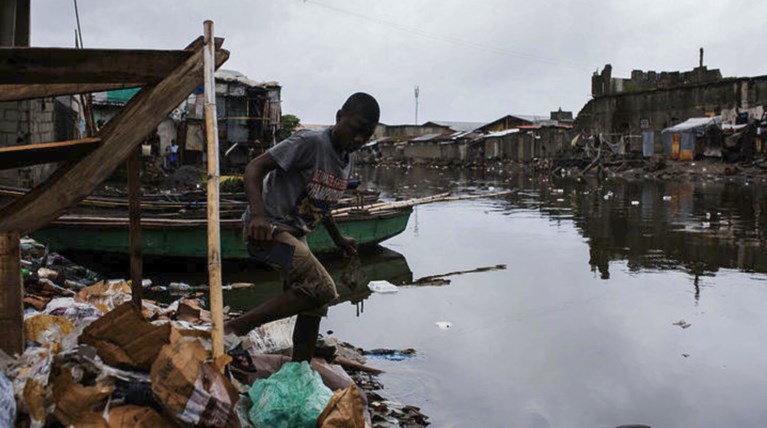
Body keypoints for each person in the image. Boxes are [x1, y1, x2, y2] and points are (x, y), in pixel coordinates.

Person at [224, 92, 380, 363]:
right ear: (339, 117)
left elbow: (322, 204)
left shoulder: (346, 157)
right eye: (355, 130)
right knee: (322, 287)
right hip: (267, 233)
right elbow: (254, 168)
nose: (358, 140)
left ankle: (300, 371)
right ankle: (235, 328)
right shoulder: (310, 142)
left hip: (296, 234)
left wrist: (338, 238)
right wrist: (259, 216)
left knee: (316, 303)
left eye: (365, 135)